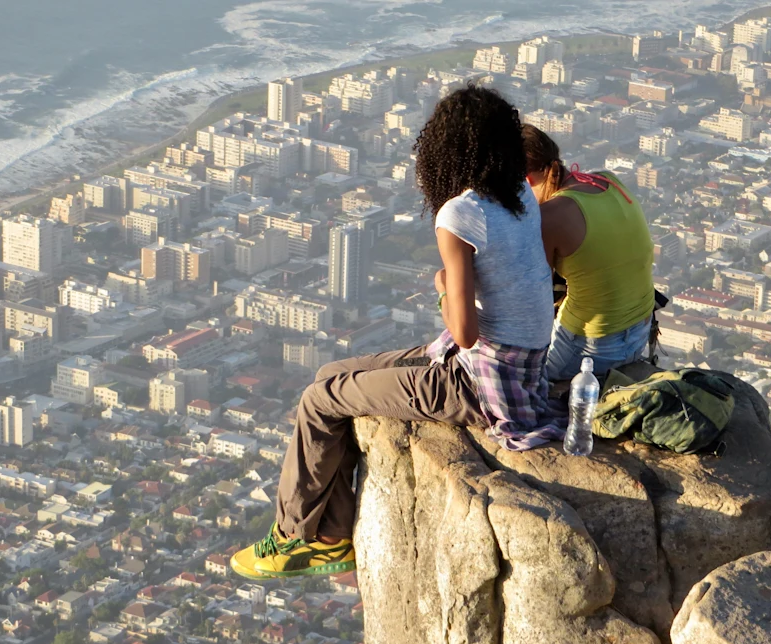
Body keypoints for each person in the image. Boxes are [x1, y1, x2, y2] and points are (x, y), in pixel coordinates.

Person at [231, 86, 563, 581]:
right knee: (329, 376)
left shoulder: (460, 214)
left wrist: (443, 287)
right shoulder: (519, 194)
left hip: (480, 380)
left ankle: (296, 537)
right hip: (525, 363)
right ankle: (332, 534)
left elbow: (466, 332)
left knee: (320, 401)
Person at [522, 125, 655, 382]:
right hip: (640, 332)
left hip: (591, 348)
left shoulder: (550, 216)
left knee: (527, 382)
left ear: (526, 179)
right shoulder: (608, 180)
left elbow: (532, 299)